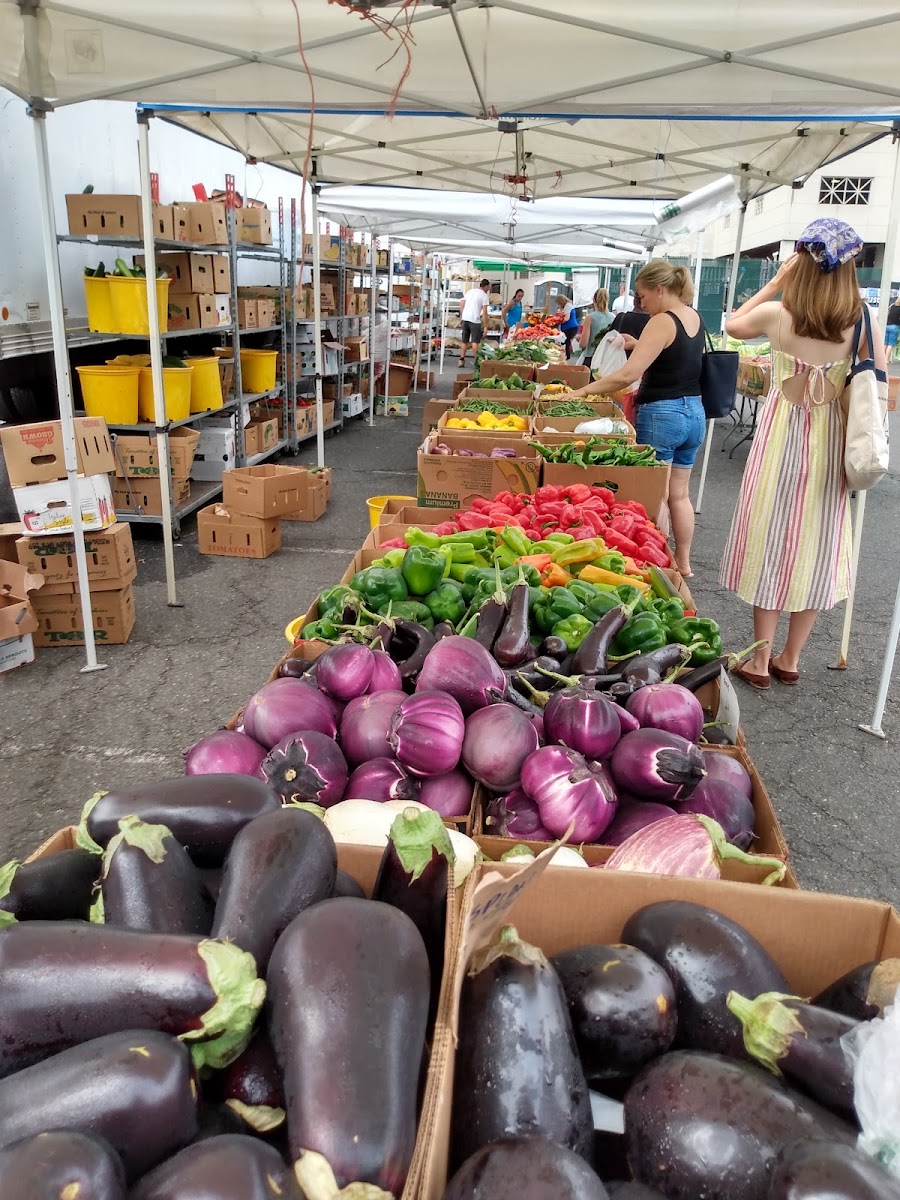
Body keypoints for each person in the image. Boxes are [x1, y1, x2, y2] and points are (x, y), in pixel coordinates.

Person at [719, 217, 885, 690]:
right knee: (816, 544)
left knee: (771, 540)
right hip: (830, 440)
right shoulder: (863, 323)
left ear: (801, 264)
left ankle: (758, 659)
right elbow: (878, 384)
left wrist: (775, 281)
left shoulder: (779, 315)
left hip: (778, 437)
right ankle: (791, 658)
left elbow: (732, 323)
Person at [568, 260, 706, 578]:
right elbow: (676, 356)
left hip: (663, 414)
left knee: (653, 494)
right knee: (680, 495)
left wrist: (582, 391)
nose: (640, 304)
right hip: (694, 413)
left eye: (642, 296)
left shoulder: (661, 321)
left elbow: (629, 374)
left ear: (659, 290)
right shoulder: (694, 316)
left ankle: (655, 565)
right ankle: (683, 564)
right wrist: (637, 344)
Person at [458, 279, 491, 366]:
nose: (488, 289)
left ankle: (461, 360)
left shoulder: (470, 291)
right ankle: (477, 361)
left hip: (465, 318)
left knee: (464, 341)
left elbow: (462, 303)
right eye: (488, 287)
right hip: (475, 320)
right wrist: (486, 327)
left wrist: (462, 316)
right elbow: (484, 313)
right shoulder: (484, 296)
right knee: (475, 341)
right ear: (486, 286)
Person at [578, 288, 615, 364]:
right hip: (605, 358)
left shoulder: (590, 318)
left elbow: (583, 344)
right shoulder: (613, 317)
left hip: (591, 357)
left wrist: (579, 339)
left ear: (594, 300)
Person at [554, 293, 581, 360]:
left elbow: (566, 318)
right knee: (566, 341)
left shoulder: (567, 306)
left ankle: (566, 357)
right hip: (570, 327)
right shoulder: (568, 305)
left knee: (565, 342)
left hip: (570, 327)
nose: (558, 305)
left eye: (558, 303)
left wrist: (557, 321)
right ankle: (565, 356)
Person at [886, 296, 900, 364]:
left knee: (885, 343)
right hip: (895, 326)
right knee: (891, 344)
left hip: (887, 325)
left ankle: (884, 358)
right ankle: (886, 359)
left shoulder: (892, 306)